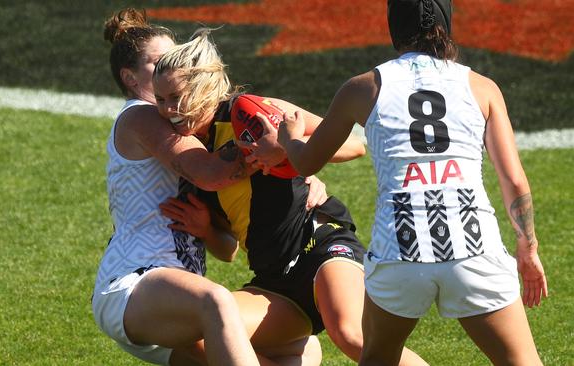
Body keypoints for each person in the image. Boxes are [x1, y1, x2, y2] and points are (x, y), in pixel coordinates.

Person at [274, 0, 549, 365]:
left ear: (393, 25)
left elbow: (306, 161)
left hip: (400, 252)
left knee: (377, 359)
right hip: (473, 247)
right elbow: (513, 179)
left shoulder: (362, 88)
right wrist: (527, 249)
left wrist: (289, 137)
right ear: (447, 23)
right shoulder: (482, 88)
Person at [154, 28, 428, 366]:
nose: (167, 110)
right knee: (193, 343)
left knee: (352, 334)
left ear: (203, 86)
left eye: (175, 96)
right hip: (274, 281)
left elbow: (353, 145)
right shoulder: (194, 161)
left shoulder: (250, 112)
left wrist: (288, 146)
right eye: (160, 100)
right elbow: (229, 250)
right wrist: (207, 230)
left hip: (319, 245)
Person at [91, 8, 322, 366]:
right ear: (131, 78)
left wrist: (296, 173)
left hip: (179, 299)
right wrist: (284, 153)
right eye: (159, 64)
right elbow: (211, 173)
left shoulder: (191, 129)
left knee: (301, 347)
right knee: (217, 301)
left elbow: (227, 248)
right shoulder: (139, 115)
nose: (173, 70)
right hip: (135, 284)